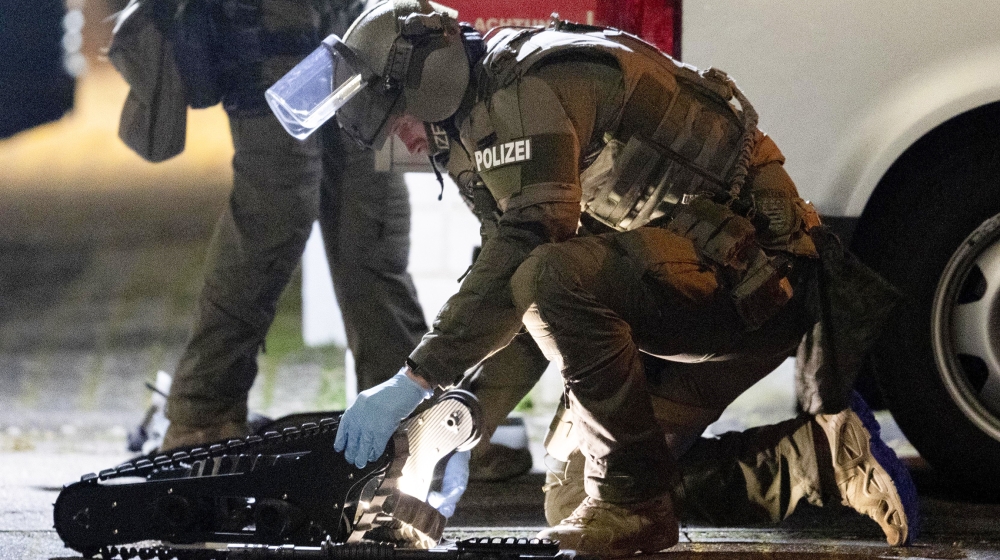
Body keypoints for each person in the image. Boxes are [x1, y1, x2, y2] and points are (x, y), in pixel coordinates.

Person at [268, 0, 916, 554]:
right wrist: (461, 419)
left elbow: (533, 261)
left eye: (397, 124)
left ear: (426, 87)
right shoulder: (476, 122)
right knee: (573, 498)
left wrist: (416, 378)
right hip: (674, 293)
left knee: (554, 283)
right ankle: (821, 462)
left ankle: (638, 503)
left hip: (752, 286)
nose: (401, 144)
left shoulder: (526, 93)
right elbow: (512, 286)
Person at [155, 0, 428, 451]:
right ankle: (202, 414)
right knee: (272, 220)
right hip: (266, 31)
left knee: (372, 224)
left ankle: (406, 417)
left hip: (358, 26)